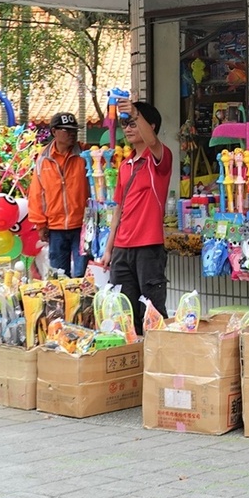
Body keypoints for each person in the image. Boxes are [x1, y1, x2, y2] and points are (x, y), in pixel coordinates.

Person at [98, 96, 172, 335]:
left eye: (133, 123)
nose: (128, 128)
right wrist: (109, 249)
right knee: (123, 313)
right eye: (125, 124)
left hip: (149, 248)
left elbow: (153, 143)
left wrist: (135, 112)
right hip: (121, 249)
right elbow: (119, 209)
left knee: (152, 312)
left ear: (150, 126)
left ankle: (155, 363)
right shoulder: (125, 165)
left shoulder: (159, 159)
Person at [27, 112, 90, 277]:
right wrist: (40, 225)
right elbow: (36, 194)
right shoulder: (43, 159)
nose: (72, 133)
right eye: (66, 130)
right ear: (54, 132)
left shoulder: (85, 154)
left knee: (80, 277)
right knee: (58, 277)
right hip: (55, 229)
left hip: (83, 226)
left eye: (74, 130)